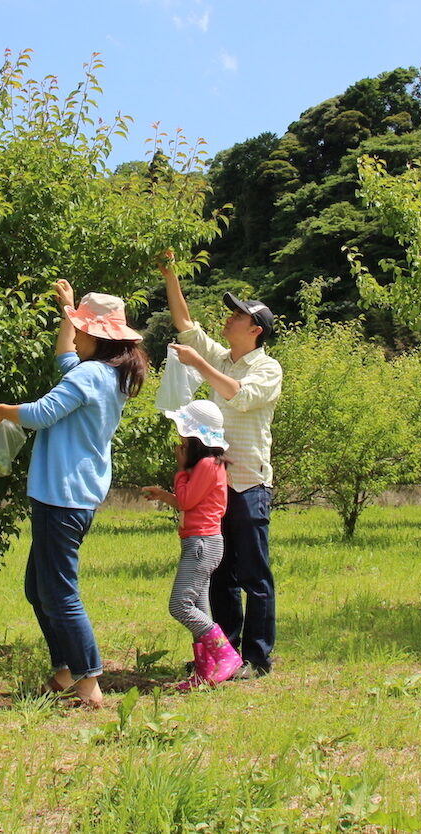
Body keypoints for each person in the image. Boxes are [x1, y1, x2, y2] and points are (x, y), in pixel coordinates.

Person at [0, 280, 148, 709]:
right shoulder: (106, 374)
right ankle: (63, 673)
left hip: (64, 496)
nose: (77, 334)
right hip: (68, 493)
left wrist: (2, 411)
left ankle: (89, 681)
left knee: (59, 591)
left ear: (97, 335)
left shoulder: (92, 375)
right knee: (40, 589)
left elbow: (41, 413)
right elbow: (64, 358)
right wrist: (68, 310)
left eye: (81, 328)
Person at [159, 252, 282, 678]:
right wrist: (170, 275)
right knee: (219, 574)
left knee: (254, 575)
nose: (228, 319)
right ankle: (223, 652)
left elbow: (237, 395)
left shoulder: (266, 367)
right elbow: (186, 324)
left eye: (237, 316)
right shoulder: (224, 359)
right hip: (217, 487)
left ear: (256, 329)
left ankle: (258, 659)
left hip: (248, 484)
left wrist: (200, 365)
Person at [141, 399, 243, 690]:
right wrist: (163, 495)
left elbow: (186, 500)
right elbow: (191, 504)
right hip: (200, 543)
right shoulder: (209, 466)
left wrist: (180, 471)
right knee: (199, 605)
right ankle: (205, 671)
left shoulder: (206, 466)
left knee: (180, 605)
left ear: (196, 440)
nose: (180, 444)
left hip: (202, 545)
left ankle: (226, 654)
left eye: (184, 439)